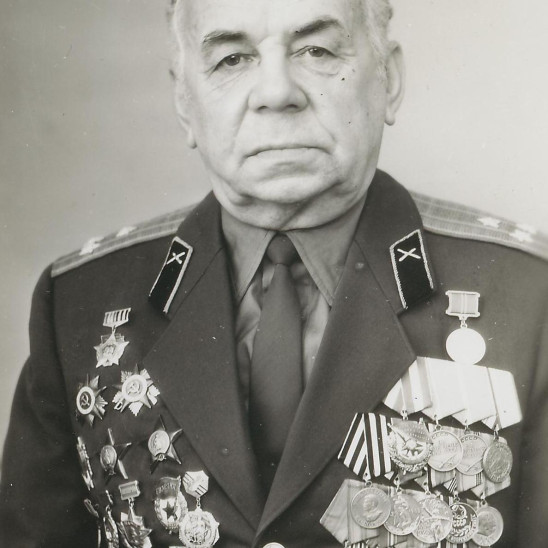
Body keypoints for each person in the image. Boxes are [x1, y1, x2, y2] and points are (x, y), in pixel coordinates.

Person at [1, 0, 547, 547]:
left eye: (317, 50)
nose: (276, 92)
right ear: (185, 102)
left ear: (390, 80)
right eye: (232, 59)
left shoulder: (530, 299)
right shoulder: (78, 305)